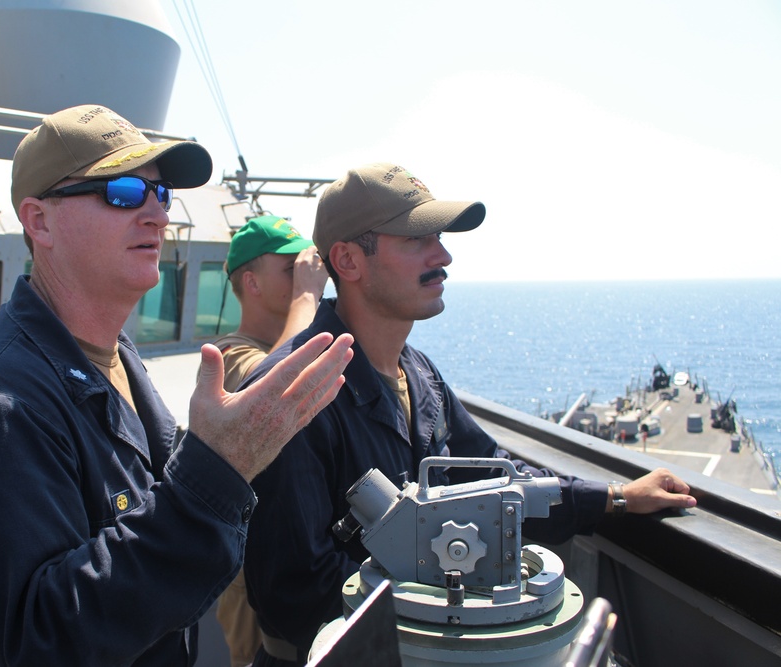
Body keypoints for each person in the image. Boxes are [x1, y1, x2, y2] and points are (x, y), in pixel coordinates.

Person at [0, 104, 354, 667]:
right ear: (39, 221)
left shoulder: (117, 359)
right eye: (122, 192)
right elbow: (39, 643)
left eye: (160, 194)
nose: (156, 215)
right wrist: (216, 472)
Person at [240, 162, 698, 666]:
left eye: (438, 236)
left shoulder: (418, 375)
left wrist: (613, 498)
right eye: (416, 239)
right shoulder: (291, 393)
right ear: (348, 261)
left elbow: (495, 478)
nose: (444, 256)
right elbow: (296, 592)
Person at [212, 215, 328, 667]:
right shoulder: (229, 354)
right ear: (251, 283)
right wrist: (307, 296)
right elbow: (280, 386)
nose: (305, 273)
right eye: (290, 269)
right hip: (252, 581)